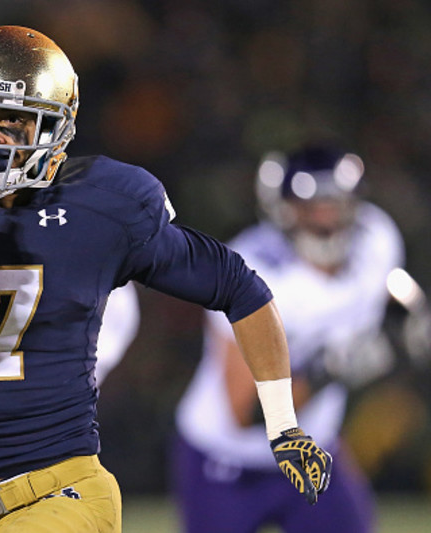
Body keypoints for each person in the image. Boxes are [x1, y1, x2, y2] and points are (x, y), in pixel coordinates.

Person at [0, 25, 331, 532]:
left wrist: (283, 423)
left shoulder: (102, 206)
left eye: (12, 120)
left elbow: (239, 287)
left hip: (56, 498)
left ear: (53, 131)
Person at [173, 145, 405, 532]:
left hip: (314, 449)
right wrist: (334, 370)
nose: (326, 219)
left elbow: (393, 292)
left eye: (335, 204)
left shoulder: (375, 239)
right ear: (283, 209)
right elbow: (244, 412)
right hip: (228, 461)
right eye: (311, 206)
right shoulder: (250, 271)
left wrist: (411, 321)